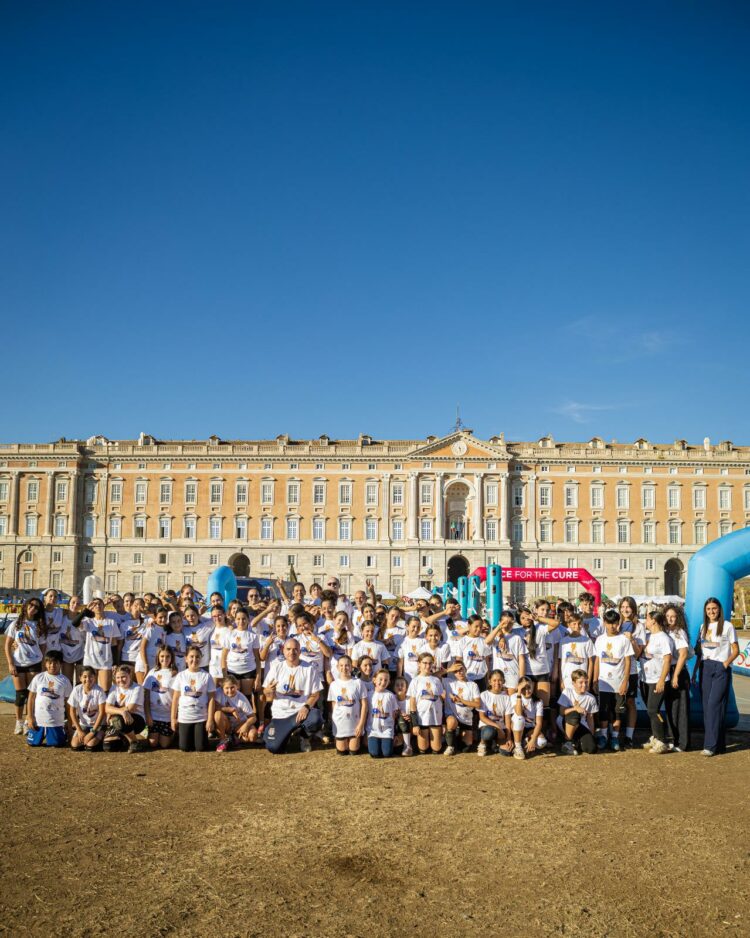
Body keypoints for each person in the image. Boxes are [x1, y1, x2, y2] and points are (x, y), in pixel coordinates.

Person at [263, 638, 323, 754]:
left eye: (295, 649)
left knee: (316, 718)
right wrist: (268, 691)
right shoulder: (276, 668)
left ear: (300, 651)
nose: (292, 652)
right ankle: (287, 734)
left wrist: (306, 707)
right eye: (288, 649)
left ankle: (304, 737)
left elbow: (315, 694)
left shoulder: (309, 669)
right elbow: (267, 694)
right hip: (280, 714)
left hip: (300, 713)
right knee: (274, 748)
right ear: (283, 650)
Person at [696, 597, 739, 756]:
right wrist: (695, 671)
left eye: (714, 608)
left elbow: (736, 650)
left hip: (720, 668)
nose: (711, 611)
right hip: (705, 667)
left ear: (719, 609)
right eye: (708, 609)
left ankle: (710, 746)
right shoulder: (703, 627)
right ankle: (719, 745)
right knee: (709, 707)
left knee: (714, 705)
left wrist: (725, 663)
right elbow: (701, 651)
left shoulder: (727, 626)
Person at [592, 610, 633, 752]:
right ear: (604, 623)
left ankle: (614, 737)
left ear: (618, 623)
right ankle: (603, 736)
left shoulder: (624, 640)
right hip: (603, 683)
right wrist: (595, 679)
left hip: (618, 684)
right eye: (609, 623)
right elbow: (597, 661)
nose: (612, 626)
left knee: (617, 712)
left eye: (615, 623)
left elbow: (628, 662)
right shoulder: (600, 639)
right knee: (603, 711)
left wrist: (625, 682)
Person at [5, 597, 46, 735]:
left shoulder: (39, 625)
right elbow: (7, 645)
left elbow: (43, 646)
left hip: (34, 663)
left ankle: (30, 720)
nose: (33, 608)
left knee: (31, 694)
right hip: (18, 662)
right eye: (31, 605)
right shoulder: (16, 624)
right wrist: (10, 663)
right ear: (26, 605)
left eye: (36, 607)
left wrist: (42, 662)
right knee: (20, 694)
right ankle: (19, 722)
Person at [170, 646, 216, 752]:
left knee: (200, 748)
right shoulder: (181, 675)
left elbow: (211, 699)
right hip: (185, 716)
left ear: (201, 658)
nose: (194, 659)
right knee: (184, 748)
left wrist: (210, 720)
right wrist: (173, 719)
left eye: (197, 657)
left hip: (201, 716)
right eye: (191, 656)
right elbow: (175, 698)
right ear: (186, 658)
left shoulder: (206, 676)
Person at [640, 610, 673, 755]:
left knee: (653, 710)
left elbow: (667, 660)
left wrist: (661, 680)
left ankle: (661, 741)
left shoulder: (664, 638)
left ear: (653, 620)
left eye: (647, 619)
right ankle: (655, 737)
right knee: (650, 710)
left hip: (657, 680)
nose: (645, 621)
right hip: (645, 679)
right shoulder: (647, 636)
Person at [26, 651, 72, 748]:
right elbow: (31, 698)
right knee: (32, 744)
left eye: (56, 663)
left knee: (57, 744)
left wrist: (69, 723)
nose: (52, 665)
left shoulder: (65, 681)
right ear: (45, 664)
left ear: (61, 664)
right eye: (50, 663)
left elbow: (69, 704)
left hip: (55, 721)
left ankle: (62, 732)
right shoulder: (38, 677)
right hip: (38, 721)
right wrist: (30, 716)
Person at [664, 603, 692, 752]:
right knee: (670, 707)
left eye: (673, 616)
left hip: (678, 671)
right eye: (668, 616)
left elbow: (683, 654)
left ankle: (682, 743)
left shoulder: (679, 632)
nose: (670, 619)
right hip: (668, 670)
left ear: (678, 618)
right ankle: (672, 739)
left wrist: (675, 675)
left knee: (681, 708)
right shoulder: (665, 631)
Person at [327, 654, 368, 754]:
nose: (344, 668)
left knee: (353, 751)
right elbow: (334, 705)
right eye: (341, 665)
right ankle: (340, 738)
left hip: (355, 724)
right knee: (342, 751)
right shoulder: (333, 685)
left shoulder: (358, 682)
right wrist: (335, 724)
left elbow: (364, 705)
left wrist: (361, 725)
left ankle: (356, 740)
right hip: (340, 724)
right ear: (337, 667)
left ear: (351, 667)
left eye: (347, 665)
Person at [103, 664, 149, 752]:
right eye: (118, 677)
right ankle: (126, 739)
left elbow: (131, 708)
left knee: (117, 720)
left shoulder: (137, 688)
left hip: (137, 719)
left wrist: (113, 711)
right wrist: (122, 712)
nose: (120, 680)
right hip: (120, 718)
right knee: (108, 746)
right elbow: (107, 708)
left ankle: (134, 742)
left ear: (130, 676)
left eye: (123, 677)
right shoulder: (114, 687)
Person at [79, 598, 120, 692]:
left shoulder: (111, 622)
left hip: (105, 661)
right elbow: (75, 623)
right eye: (95, 604)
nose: (97, 606)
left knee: (105, 690)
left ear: (103, 606)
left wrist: (115, 662)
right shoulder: (88, 621)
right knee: (89, 689)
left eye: (100, 604)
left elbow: (114, 643)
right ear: (92, 607)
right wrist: (85, 610)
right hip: (90, 660)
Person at [408, 652, 445, 755]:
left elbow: (441, 700)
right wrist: (415, 724)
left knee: (436, 749)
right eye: (425, 663)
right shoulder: (415, 681)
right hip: (422, 717)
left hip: (435, 717)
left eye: (430, 663)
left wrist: (444, 722)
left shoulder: (436, 680)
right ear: (419, 664)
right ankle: (413, 742)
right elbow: (412, 703)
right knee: (423, 748)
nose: (428, 666)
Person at [220, 607, 260, 700]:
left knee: (246, 697)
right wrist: (225, 675)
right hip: (232, 671)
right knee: (233, 697)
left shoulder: (253, 636)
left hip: (248, 670)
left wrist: (258, 677)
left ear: (248, 619)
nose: (241, 621)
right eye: (238, 619)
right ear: (235, 619)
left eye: (243, 618)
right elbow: (223, 656)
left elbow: (257, 658)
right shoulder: (230, 634)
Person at [143, 646, 178, 749]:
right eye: (162, 656)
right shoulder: (152, 672)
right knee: (153, 743)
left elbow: (176, 698)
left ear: (172, 658)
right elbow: (146, 696)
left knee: (164, 744)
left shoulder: (175, 674)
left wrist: (174, 717)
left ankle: (175, 733)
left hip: (167, 715)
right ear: (158, 657)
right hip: (154, 715)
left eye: (168, 656)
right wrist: (148, 715)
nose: (165, 659)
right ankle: (147, 732)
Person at [443, 661, 480, 756]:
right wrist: (448, 670)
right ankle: (450, 746)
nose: (459, 672)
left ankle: (456, 736)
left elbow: (477, 704)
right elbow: (433, 677)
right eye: (456, 671)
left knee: (466, 748)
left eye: (461, 669)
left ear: (465, 669)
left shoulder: (473, 685)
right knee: (451, 722)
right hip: (453, 717)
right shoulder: (448, 682)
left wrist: (461, 700)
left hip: (466, 719)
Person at [557, 669, 598, 755]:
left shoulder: (591, 698)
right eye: (581, 682)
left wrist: (592, 734)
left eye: (586, 682)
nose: (584, 685)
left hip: (581, 724)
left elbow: (590, 718)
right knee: (574, 715)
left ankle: (575, 742)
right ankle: (567, 742)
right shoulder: (567, 692)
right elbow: (561, 712)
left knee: (591, 748)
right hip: (565, 721)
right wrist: (575, 709)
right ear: (573, 683)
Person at [68, 665, 107, 751]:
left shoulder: (99, 691)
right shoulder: (76, 690)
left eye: (90, 676)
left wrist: (92, 732)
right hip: (84, 725)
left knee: (90, 746)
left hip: (98, 725)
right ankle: (88, 736)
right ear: (80, 678)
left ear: (95, 677)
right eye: (85, 677)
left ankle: (102, 735)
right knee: (75, 745)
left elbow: (102, 712)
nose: (88, 679)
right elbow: (72, 712)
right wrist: (79, 730)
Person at [214, 675, 257, 751]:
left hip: (239, 724)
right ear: (222, 687)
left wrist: (246, 726)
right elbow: (214, 706)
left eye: (232, 687)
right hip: (226, 724)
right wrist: (229, 709)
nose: (230, 690)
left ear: (237, 686)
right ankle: (223, 740)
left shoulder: (241, 698)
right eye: (227, 688)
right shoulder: (218, 692)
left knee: (252, 736)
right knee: (217, 714)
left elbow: (253, 717)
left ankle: (233, 739)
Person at [477, 669, 514, 756]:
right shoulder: (484, 695)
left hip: (501, 729)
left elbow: (507, 719)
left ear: (503, 681)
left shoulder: (507, 697)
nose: (497, 683)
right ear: (489, 681)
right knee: (489, 732)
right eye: (494, 680)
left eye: (500, 680)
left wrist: (509, 737)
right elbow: (482, 717)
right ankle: (482, 743)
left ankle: (494, 744)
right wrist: (497, 727)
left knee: (507, 752)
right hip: (487, 726)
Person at [511, 677, 547, 760]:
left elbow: (539, 723)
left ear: (532, 686)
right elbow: (519, 713)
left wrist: (533, 740)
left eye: (529, 687)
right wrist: (519, 692)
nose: (527, 691)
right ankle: (518, 747)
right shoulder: (514, 696)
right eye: (524, 688)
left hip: (530, 728)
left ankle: (525, 742)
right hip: (517, 727)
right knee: (519, 718)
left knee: (542, 742)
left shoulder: (538, 701)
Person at [366, 669, 399, 758]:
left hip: (387, 730)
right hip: (373, 730)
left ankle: (388, 743)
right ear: (374, 680)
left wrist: (394, 732)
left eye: (386, 680)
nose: (383, 682)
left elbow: (394, 714)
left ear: (389, 682)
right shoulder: (369, 695)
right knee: (374, 753)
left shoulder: (390, 695)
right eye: (380, 679)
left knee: (387, 753)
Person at [135, 606, 167, 684]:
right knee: (142, 688)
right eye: (160, 617)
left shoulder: (166, 629)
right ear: (155, 618)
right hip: (143, 664)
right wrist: (146, 665)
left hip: (155, 665)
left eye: (165, 617)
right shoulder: (151, 628)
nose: (163, 619)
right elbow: (142, 647)